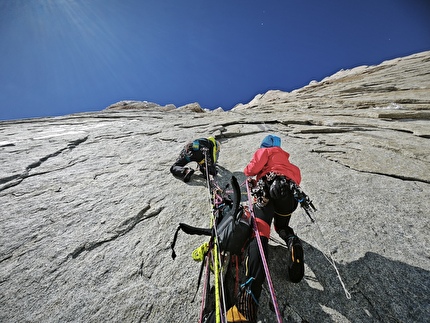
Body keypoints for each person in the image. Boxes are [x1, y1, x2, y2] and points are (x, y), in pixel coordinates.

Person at [237, 134, 304, 322]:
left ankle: (248, 300)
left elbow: (251, 169)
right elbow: (296, 181)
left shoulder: (265, 151)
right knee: (282, 227)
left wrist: (250, 172)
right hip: (288, 196)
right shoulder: (292, 166)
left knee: (260, 233)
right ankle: (292, 242)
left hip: (267, 192)